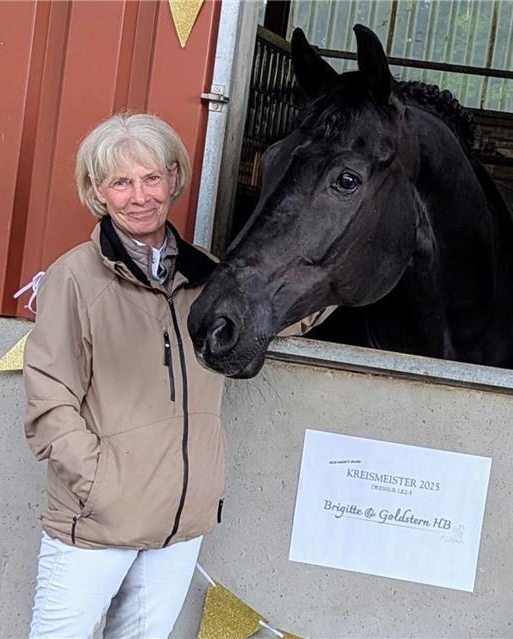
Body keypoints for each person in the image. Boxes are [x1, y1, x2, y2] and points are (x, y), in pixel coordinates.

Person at [23, 112, 328, 637]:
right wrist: (100, 485)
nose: (139, 195)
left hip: (180, 526)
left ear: (173, 180)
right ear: (98, 192)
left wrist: (333, 273)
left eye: (150, 178)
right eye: (120, 182)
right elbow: (50, 402)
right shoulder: (74, 278)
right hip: (98, 524)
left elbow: (280, 312)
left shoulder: (208, 276)